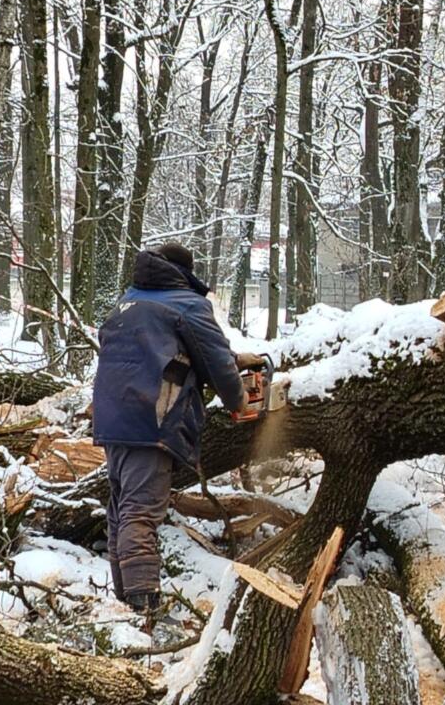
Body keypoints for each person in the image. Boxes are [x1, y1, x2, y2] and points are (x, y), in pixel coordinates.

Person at [92, 242, 261, 616]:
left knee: (121, 507)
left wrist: (236, 358)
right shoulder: (188, 304)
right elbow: (212, 359)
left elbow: (166, 348)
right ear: (185, 273)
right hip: (151, 418)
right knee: (141, 511)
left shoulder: (130, 300)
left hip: (112, 417)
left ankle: (124, 599)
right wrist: (238, 400)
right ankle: (143, 605)